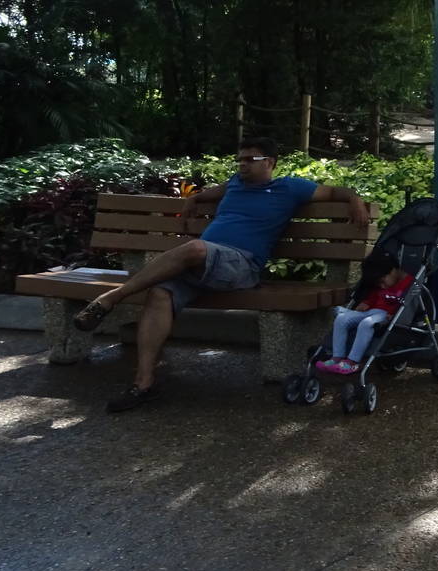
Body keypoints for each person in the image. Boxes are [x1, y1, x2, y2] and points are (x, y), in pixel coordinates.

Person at [71, 136, 371, 412]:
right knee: (160, 294)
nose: (241, 165)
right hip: (205, 265)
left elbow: (335, 191)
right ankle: (143, 383)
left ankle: (112, 297)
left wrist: (354, 199)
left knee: (194, 248)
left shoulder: (290, 188)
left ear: (269, 162)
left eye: (249, 160)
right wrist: (195, 198)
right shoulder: (234, 185)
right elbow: (211, 193)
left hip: (241, 265)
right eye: (239, 160)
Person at [316, 250, 413, 375]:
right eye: (378, 283)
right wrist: (367, 302)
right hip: (372, 311)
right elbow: (375, 295)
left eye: (382, 281)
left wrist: (394, 314)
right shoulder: (382, 283)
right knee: (341, 318)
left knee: (366, 324)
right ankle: (337, 357)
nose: (382, 286)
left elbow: (407, 304)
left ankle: (352, 362)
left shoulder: (409, 283)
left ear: (393, 270)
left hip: (386, 315)